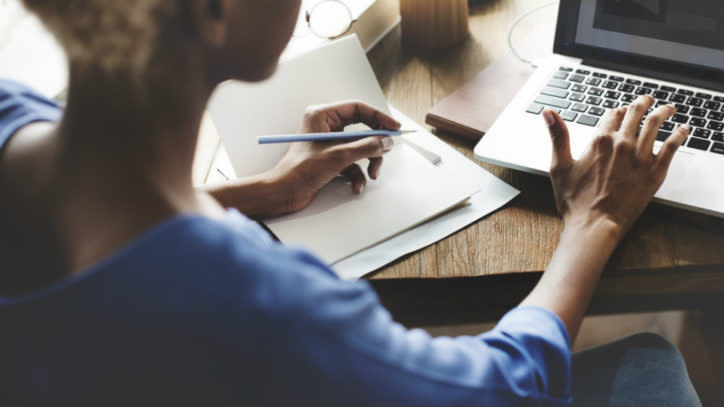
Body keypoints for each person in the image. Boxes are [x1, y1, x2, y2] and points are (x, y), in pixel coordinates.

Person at [0, 1, 701, 406]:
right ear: (215, 12)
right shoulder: (261, 307)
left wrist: (255, 193)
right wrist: (594, 221)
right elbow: (504, 387)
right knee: (653, 367)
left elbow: (102, 227)